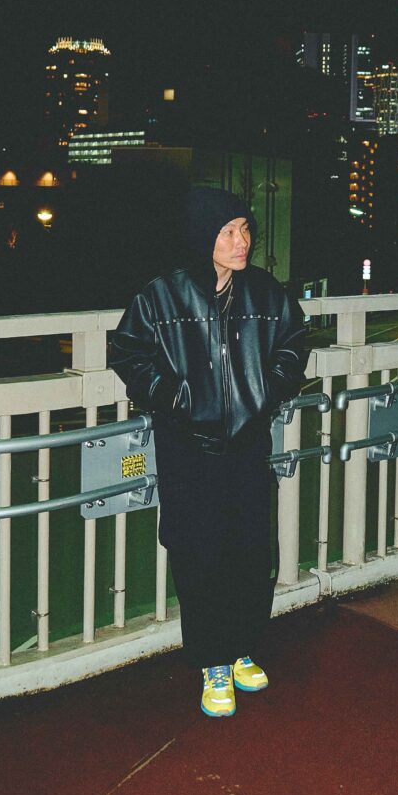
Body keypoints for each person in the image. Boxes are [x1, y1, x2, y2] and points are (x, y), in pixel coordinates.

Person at [108, 187, 307, 718]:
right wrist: (178, 399)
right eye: (228, 231)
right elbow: (128, 353)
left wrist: (266, 390)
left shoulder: (265, 293)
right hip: (187, 449)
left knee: (251, 551)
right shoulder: (160, 297)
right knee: (198, 553)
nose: (242, 241)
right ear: (202, 237)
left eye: (245, 229)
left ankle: (241, 648)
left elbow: (294, 343)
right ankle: (212, 662)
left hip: (248, 444)